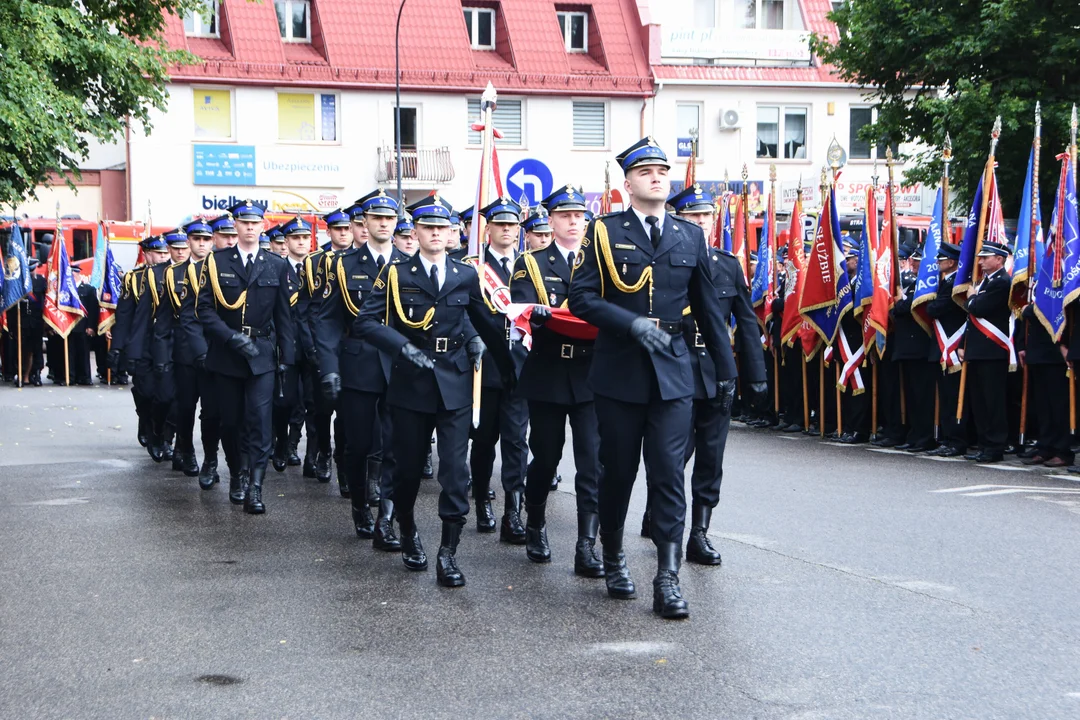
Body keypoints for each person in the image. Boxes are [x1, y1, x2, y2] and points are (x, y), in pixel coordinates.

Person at [568, 137, 744, 619]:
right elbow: (580, 298)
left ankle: (667, 577)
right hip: (620, 369)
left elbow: (710, 309)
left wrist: (727, 373)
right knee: (619, 472)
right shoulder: (603, 231)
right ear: (628, 183)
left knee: (668, 474)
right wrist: (631, 324)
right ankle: (613, 556)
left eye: (662, 170)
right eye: (645, 171)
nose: (656, 176)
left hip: (673, 370)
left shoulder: (690, 237)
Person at [353, 195, 507, 587]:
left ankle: (448, 552)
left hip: (454, 382)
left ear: (454, 233)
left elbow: (481, 320)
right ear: (416, 231)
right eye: (428, 227)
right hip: (411, 382)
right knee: (405, 472)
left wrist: (494, 345)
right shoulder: (394, 273)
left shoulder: (464, 274)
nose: (436, 233)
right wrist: (401, 347)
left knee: (455, 474)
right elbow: (366, 322)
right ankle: (406, 528)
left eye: (443, 227)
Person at [658, 183, 765, 565]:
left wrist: (752, 373)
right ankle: (664, 517)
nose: (701, 221)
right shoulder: (667, 261)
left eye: (706, 215)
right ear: (678, 219)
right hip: (676, 370)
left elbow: (747, 323)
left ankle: (699, 534)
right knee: (672, 456)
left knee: (711, 457)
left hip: (716, 372)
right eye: (693, 216)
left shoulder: (727, 264)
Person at [510, 184, 603, 575]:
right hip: (548, 371)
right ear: (551, 220)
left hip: (589, 373)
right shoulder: (530, 262)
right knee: (546, 458)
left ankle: (587, 544)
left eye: (579, 216)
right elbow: (526, 307)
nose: (573, 222)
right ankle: (534, 523)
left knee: (591, 462)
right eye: (565, 216)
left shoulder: (601, 261)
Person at [315, 189, 410, 545]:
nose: (384, 224)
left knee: (395, 446)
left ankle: (386, 518)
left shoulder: (408, 263)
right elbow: (326, 321)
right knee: (356, 445)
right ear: (364, 224)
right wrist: (328, 367)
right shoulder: (343, 266)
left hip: (399, 367)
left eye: (389, 218)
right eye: (376, 218)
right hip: (357, 366)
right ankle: (359, 506)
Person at [197, 200, 296, 514]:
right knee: (231, 422)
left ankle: (255, 485)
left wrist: (286, 358)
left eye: (255, 222)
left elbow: (284, 317)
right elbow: (205, 311)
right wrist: (230, 337)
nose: (250, 227)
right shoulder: (216, 262)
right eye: (244, 222)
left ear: (263, 225)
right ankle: (237, 472)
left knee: (259, 418)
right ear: (235, 225)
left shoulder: (277, 265)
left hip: (262, 354)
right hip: (227, 354)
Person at [463, 196, 529, 543]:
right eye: (500, 224)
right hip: (486, 366)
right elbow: (465, 312)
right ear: (487, 228)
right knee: (485, 441)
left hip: (520, 365)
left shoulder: (529, 265)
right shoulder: (473, 267)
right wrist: (474, 339)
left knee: (517, 442)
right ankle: (483, 502)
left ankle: (513, 512)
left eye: (512, 225)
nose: (507, 230)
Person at [110, 235, 170, 449]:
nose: (163, 256)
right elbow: (125, 316)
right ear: (147, 254)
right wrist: (117, 347)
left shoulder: (178, 275)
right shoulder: (134, 279)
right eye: (159, 252)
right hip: (142, 342)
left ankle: (164, 436)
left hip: (168, 342)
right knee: (146, 391)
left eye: (166, 252)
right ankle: (145, 419)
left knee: (168, 394)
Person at [150, 228, 201, 476]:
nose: (201, 244)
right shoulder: (172, 275)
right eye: (197, 240)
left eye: (206, 239)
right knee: (183, 405)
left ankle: (208, 457)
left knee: (214, 411)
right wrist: (161, 358)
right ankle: (185, 448)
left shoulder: (218, 268)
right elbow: (162, 322)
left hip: (214, 349)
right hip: (182, 350)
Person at [960, 240, 1012, 463]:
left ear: (999, 259)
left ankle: (995, 446)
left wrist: (972, 297)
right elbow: (971, 319)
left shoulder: (1001, 282)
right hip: (978, 350)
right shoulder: (985, 283)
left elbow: (977, 308)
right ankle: (984, 444)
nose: (980, 261)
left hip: (992, 351)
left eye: (985, 257)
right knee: (980, 401)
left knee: (993, 402)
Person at [890, 247, 936, 452]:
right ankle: (914, 434)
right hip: (907, 348)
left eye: (919, 261)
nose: (914, 263)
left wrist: (902, 304)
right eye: (914, 260)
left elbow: (905, 308)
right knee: (911, 396)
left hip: (921, 348)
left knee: (922, 396)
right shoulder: (911, 284)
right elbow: (897, 308)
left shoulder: (928, 286)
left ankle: (924, 436)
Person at [925, 242, 969, 457]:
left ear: (951, 262)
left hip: (953, 345)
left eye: (941, 260)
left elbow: (936, 308)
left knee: (953, 397)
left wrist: (931, 305)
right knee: (945, 396)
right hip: (943, 346)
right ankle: (947, 437)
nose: (937, 263)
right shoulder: (945, 282)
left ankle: (956, 441)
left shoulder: (955, 283)